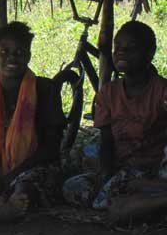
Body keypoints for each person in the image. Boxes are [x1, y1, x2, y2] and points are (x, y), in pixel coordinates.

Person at [63, 21, 167, 220]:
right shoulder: (108, 93)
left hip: (153, 169)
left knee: (110, 198)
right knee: (72, 187)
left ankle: (146, 195)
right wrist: (105, 174)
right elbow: (107, 139)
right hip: (123, 168)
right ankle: (140, 197)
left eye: (130, 48)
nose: (121, 53)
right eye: (117, 47)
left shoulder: (162, 91)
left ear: (150, 53)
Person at [0, 22, 66, 208]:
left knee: (24, 188)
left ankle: (4, 205)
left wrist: (9, 177)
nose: (12, 57)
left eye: (19, 52)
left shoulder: (44, 89)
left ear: (29, 55)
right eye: (4, 52)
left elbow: (51, 149)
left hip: (33, 169)